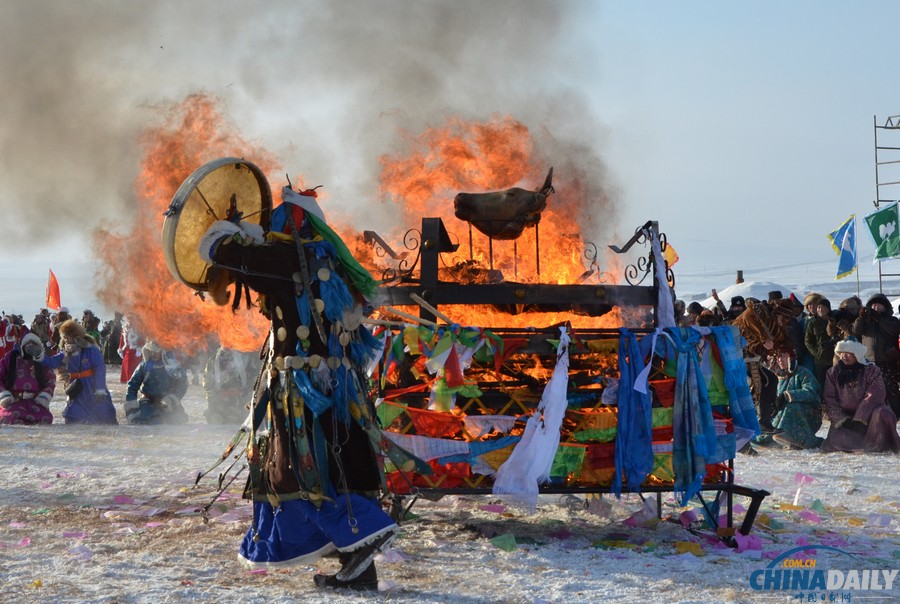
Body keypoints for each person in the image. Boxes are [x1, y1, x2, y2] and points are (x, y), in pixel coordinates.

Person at [196, 183, 421, 591]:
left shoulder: (288, 258)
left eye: (277, 221)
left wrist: (226, 231)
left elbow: (222, 253)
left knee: (299, 472)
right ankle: (358, 569)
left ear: (291, 223)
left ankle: (369, 528)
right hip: (342, 386)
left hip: (300, 388)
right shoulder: (332, 262)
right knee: (344, 465)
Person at [821, 339, 900, 454]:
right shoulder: (833, 372)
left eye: (848, 352)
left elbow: (875, 395)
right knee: (839, 440)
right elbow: (829, 398)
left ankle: (878, 444)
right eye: (841, 352)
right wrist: (842, 419)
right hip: (846, 417)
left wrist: (860, 418)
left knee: (883, 413)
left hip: (869, 415)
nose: (844, 356)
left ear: (857, 355)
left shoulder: (872, 370)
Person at [42, 319, 118, 424]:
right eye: (64, 337)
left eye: (68, 336)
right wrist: (38, 355)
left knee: (101, 412)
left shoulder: (91, 350)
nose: (66, 339)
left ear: (76, 336)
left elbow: (100, 368)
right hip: (76, 387)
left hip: (91, 385)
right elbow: (51, 362)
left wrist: (100, 388)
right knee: (74, 414)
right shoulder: (65, 353)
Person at [852, 293, 900, 418]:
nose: (875, 306)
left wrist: (879, 318)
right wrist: (861, 318)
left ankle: (895, 416)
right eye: (873, 304)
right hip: (869, 362)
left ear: (885, 306)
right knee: (870, 392)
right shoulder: (866, 321)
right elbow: (856, 330)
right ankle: (871, 417)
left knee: (891, 391)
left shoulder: (892, 320)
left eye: (878, 304)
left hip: (887, 361)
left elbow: (893, 330)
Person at [768, 348, 823, 449]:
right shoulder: (776, 377)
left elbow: (811, 392)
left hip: (809, 414)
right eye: (778, 357)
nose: (780, 360)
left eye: (783, 356)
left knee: (791, 406)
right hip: (783, 414)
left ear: (791, 357)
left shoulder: (803, 373)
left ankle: (791, 436)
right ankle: (785, 438)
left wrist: (787, 395)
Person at [124, 341, 188, 424]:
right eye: (151, 350)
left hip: (167, 402)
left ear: (163, 352)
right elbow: (132, 384)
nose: (153, 354)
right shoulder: (145, 365)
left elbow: (183, 383)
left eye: (156, 351)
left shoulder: (172, 366)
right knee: (147, 417)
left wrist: (173, 398)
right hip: (148, 401)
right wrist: (131, 404)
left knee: (176, 419)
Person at [0, 333, 56, 425]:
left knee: (45, 418)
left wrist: (43, 396)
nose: (30, 347)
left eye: (34, 344)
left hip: (35, 401)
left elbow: (51, 379)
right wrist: (4, 395)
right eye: (28, 343)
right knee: (8, 417)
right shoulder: (10, 357)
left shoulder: (41, 359)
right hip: (14, 400)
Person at [202, 346, 259, 424]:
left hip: (242, 397)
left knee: (247, 417)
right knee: (215, 417)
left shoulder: (245, 359)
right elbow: (207, 382)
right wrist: (219, 391)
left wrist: (241, 390)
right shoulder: (214, 360)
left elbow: (255, 379)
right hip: (220, 397)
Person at [804, 297, 838, 389]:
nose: (821, 310)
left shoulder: (834, 320)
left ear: (828, 309)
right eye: (819, 307)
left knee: (835, 382)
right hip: (820, 360)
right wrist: (816, 353)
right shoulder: (812, 323)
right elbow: (808, 341)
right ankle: (823, 402)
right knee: (821, 383)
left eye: (823, 307)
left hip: (834, 357)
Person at [118, 316, 144, 383]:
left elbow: (142, 339)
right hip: (127, 352)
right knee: (127, 367)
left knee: (136, 368)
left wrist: (139, 348)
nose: (130, 322)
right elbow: (122, 340)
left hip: (136, 352)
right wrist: (121, 349)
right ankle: (127, 381)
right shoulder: (124, 329)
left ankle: (135, 382)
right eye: (128, 320)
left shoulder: (139, 329)